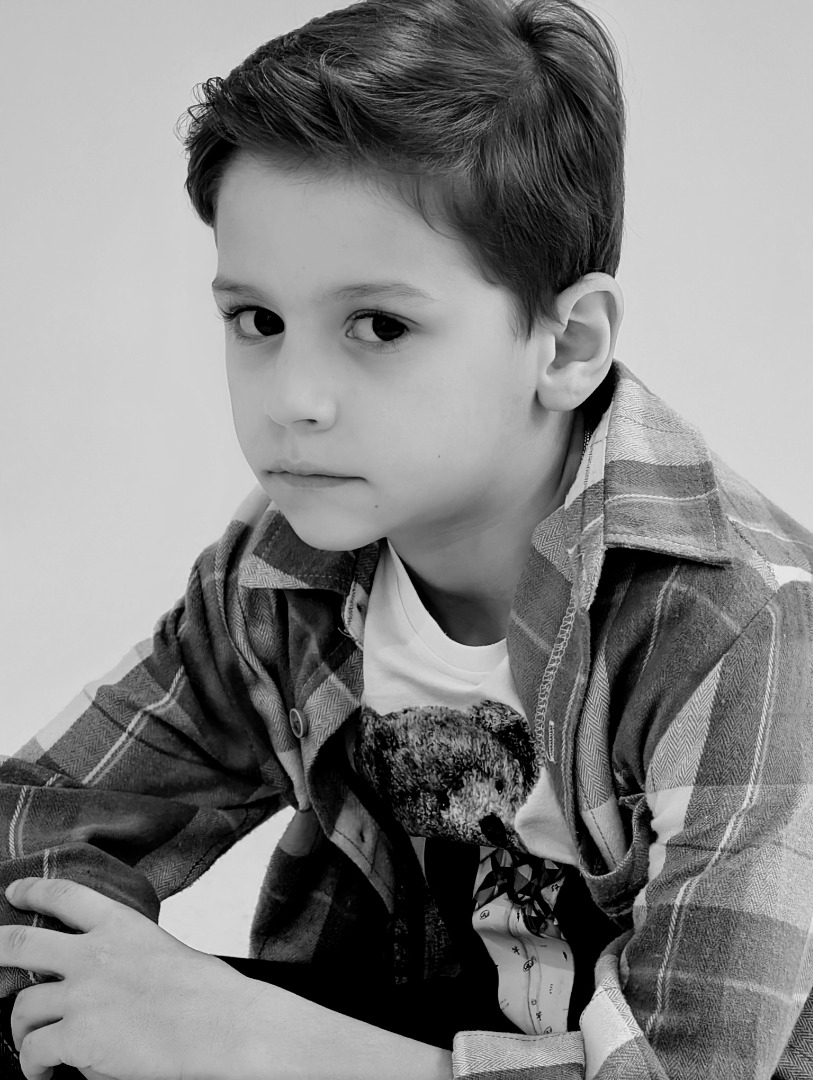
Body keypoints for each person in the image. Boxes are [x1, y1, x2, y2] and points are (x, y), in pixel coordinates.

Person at [1, 0, 812, 1076]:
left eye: (380, 326)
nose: (293, 399)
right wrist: (94, 991)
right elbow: (35, 819)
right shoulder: (284, 570)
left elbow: (687, 1068)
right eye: (257, 321)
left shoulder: (739, 623)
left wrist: (250, 1038)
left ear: (567, 344)